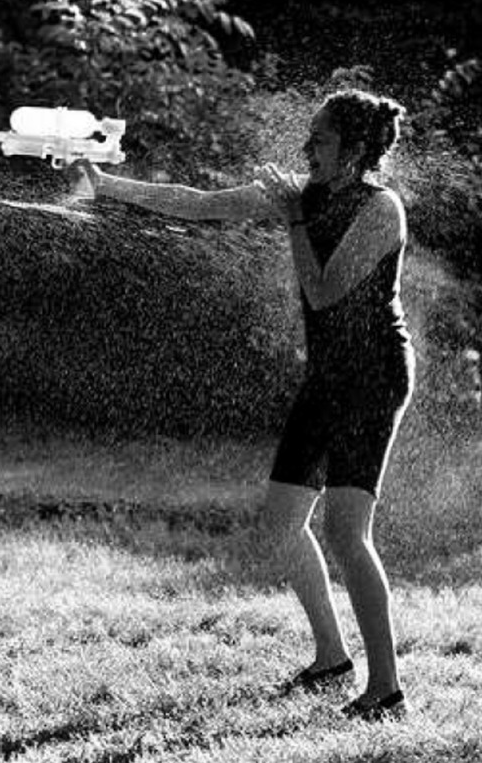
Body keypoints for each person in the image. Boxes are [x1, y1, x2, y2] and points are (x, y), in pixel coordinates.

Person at [75, 89, 414, 721]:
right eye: (309, 135)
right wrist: (109, 186)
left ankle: (385, 688)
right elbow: (202, 205)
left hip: (372, 376)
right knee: (282, 523)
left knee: (346, 531)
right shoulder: (304, 196)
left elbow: (323, 292)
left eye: (320, 139)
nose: (306, 147)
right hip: (326, 376)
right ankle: (331, 658)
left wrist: (292, 218)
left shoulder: (380, 210)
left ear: (356, 148)